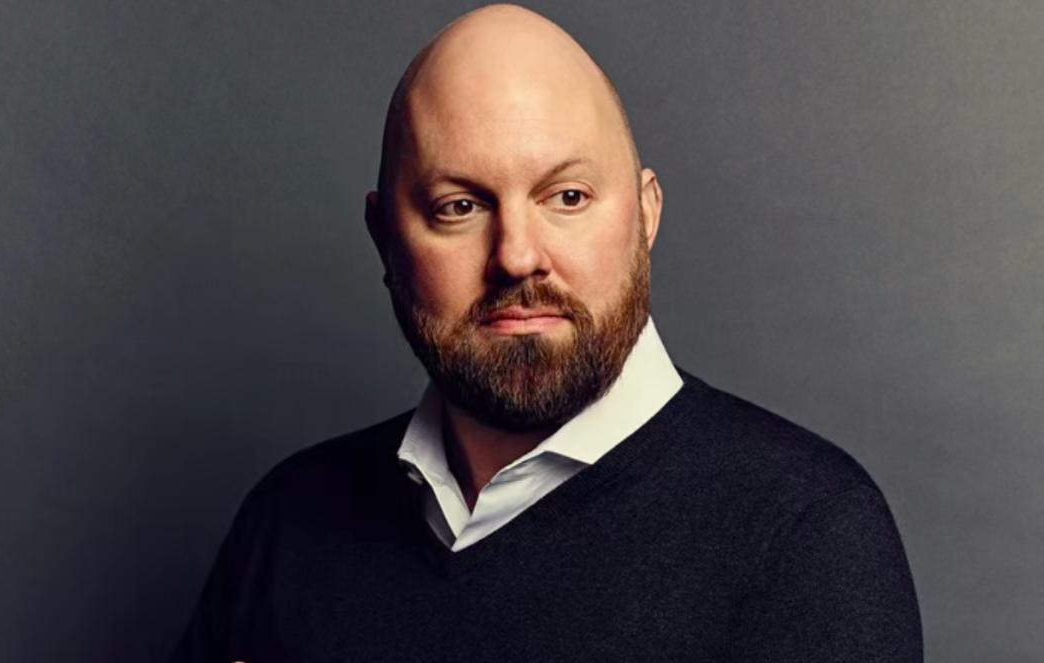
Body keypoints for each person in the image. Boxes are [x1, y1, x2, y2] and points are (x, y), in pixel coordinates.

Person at [171, 4, 922, 661]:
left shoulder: (807, 534)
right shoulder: (288, 519)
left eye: (567, 196)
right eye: (459, 207)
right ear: (383, 237)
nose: (517, 256)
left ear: (646, 214)